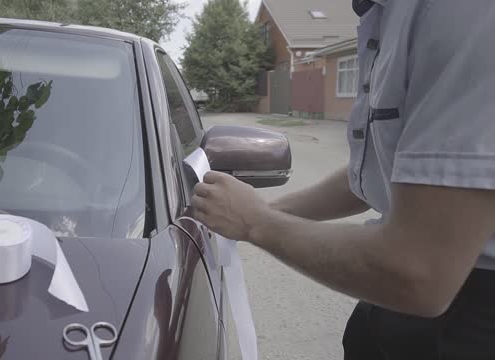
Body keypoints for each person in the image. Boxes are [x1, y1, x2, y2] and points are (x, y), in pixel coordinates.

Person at [190, 1, 495, 359]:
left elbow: (420, 273)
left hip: (470, 319)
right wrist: (265, 210)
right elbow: (379, 170)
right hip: (390, 309)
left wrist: (257, 222)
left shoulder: (465, 13)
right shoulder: (387, 15)